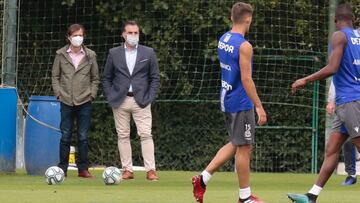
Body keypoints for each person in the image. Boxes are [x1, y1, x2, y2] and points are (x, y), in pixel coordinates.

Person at [192, 2, 267, 203]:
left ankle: (202, 179)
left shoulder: (224, 38)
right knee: (244, 147)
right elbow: (246, 79)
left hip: (227, 97)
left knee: (236, 142)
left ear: (231, 17)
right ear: (248, 20)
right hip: (241, 102)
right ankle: (245, 198)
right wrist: (259, 106)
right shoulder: (244, 46)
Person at [288, 3, 360, 203]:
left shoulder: (339, 36)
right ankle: (312, 196)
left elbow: (332, 67)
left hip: (350, 101)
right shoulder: (358, 37)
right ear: (352, 20)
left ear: (336, 20)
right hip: (347, 102)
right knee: (332, 150)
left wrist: (305, 80)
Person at [102, 20, 160, 181]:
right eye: (130, 33)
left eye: (136, 33)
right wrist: (110, 94)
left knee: (146, 135)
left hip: (141, 100)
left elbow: (155, 77)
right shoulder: (114, 53)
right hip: (120, 100)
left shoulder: (148, 53)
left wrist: (150, 97)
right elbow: (106, 77)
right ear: (123, 34)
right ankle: (127, 170)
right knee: (123, 135)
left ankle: (151, 170)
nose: (133, 36)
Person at [52, 24, 99, 178]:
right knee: (65, 135)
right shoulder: (60, 54)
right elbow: (55, 77)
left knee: (83, 136)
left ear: (83, 37)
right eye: (75, 35)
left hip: (85, 101)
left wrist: (91, 95)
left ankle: (83, 169)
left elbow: (95, 78)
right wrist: (58, 94)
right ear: (69, 37)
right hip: (66, 100)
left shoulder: (91, 55)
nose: (78, 38)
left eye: (80, 35)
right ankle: (62, 169)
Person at [326, 80, 357, 186]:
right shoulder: (340, 66)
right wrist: (331, 101)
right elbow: (335, 82)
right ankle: (351, 175)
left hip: (356, 104)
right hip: (344, 105)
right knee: (344, 142)